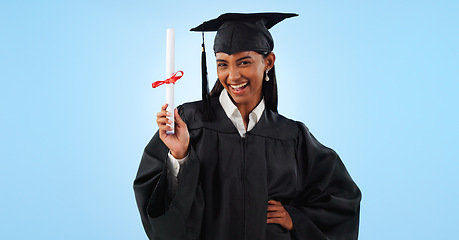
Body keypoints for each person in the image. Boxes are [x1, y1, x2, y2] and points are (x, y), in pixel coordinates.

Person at [134, 12, 361, 240]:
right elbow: (160, 211)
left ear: (268, 62)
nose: (233, 75)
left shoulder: (291, 136)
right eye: (223, 64)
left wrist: (296, 219)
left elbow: (342, 199)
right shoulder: (189, 123)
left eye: (244, 62)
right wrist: (180, 156)